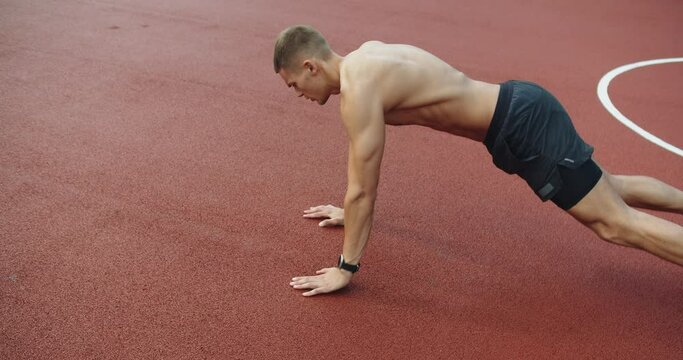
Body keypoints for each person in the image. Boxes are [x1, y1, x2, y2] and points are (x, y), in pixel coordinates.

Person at [273, 25, 683, 297]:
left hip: (520, 126)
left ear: (310, 66)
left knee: (613, 224)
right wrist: (350, 210)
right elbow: (357, 185)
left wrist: (345, 268)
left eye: (294, 83)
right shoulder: (367, 55)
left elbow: (363, 188)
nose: (298, 93)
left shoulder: (358, 91)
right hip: (523, 102)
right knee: (611, 188)